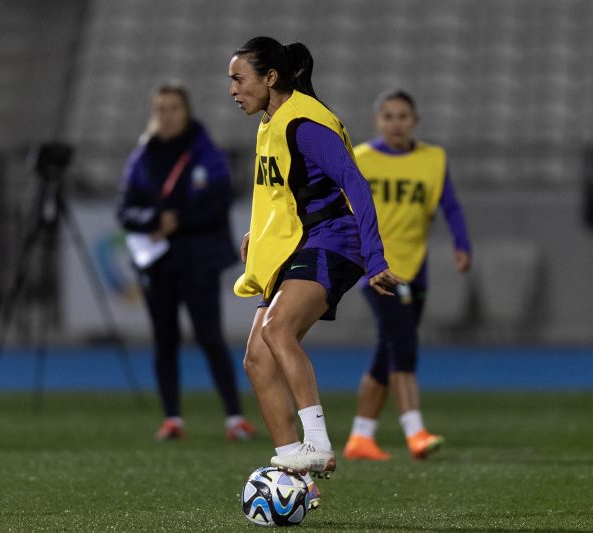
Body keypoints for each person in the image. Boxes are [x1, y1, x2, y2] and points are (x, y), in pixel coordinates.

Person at [227, 35, 402, 495]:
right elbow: (280, 192)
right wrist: (257, 234)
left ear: (270, 77)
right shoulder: (272, 121)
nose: (232, 89)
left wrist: (375, 256)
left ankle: (318, 443)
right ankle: (298, 477)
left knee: (277, 329)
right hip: (299, 244)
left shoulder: (304, 123)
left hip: (333, 241)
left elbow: (355, 185)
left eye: (239, 79)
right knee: (257, 360)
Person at [117, 82, 256, 442]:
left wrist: (175, 221)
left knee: (210, 337)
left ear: (187, 111)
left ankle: (234, 417)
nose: (166, 115)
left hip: (198, 259)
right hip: (159, 263)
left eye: (173, 107)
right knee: (165, 341)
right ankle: (172, 419)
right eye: (160, 108)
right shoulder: (143, 154)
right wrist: (152, 220)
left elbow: (219, 202)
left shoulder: (205, 152)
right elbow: (125, 208)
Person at [343, 89, 472, 461]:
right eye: (388, 116)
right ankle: (414, 431)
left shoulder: (432, 159)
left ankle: (360, 436)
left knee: (388, 351)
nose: (395, 123)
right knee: (403, 345)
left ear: (415, 121)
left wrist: (462, 244)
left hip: (416, 268)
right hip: (376, 268)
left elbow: (450, 204)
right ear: (376, 122)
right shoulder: (362, 159)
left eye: (402, 116)